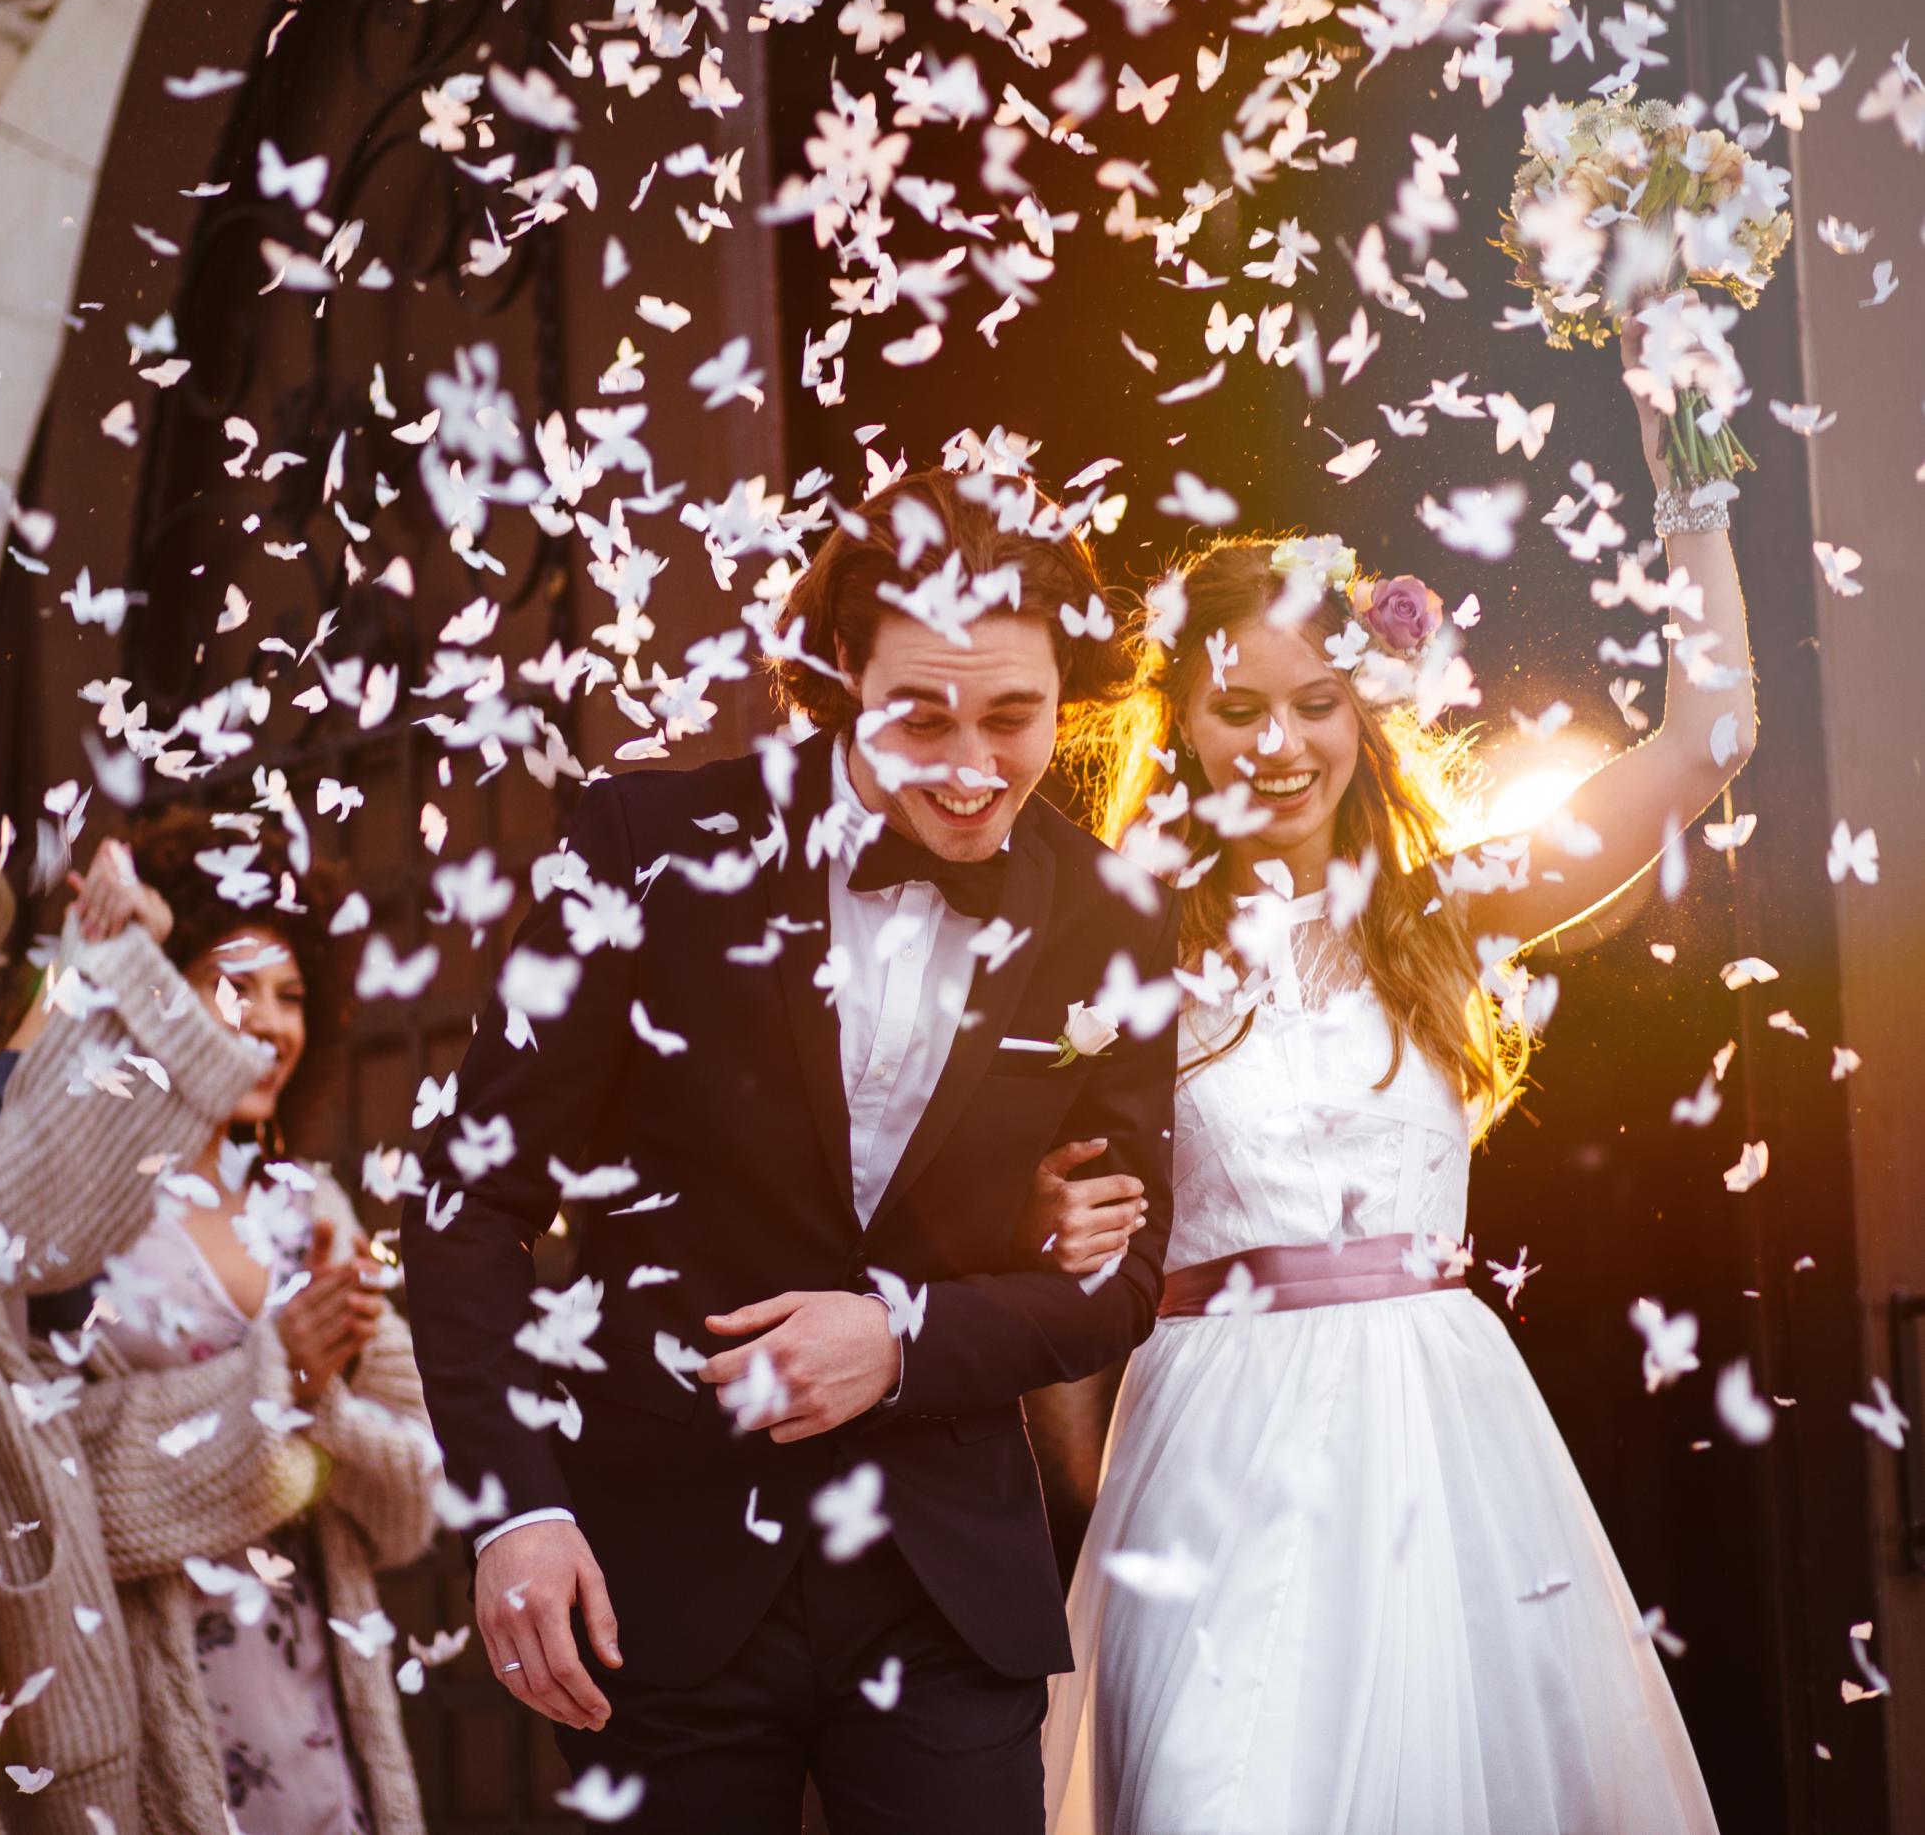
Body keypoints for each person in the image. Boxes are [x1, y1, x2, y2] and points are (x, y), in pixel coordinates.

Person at [403, 461, 1176, 1832]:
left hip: (947, 1585)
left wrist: (906, 1335)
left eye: (1014, 716)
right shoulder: (641, 842)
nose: (972, 765)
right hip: (659, 1576)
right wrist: (518, 1510)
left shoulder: (1113, 915)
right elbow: (472, 1206)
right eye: (919, 715)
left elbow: (1121, 1274)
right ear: (833, 672)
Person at [1039, 329, 1740, 1833]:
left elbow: (1707, 742)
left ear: (1362, 713)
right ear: (1183, 724)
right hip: (1206, 1447)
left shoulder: (1446, 912)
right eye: (1239, 708)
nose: (1280, 744)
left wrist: (1685, 441)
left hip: (1433, 1427)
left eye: (1315, 704)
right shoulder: (1114, 950)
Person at [0, 749, 345, 1835]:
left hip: (302, 1642)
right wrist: (98, 970)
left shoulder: (309, 1207)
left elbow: (403, 1469)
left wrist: (320, 1406)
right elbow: (17, 1227)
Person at [88, 806, 441, 1835]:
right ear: (158, 999)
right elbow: (57, 1481)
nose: (274, 1022)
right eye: (236, 987)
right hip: (150, 1693)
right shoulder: (76, 1214)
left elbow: (410, 1503)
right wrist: (266, 1375)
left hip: (320, 1708)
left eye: (294, 995)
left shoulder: (309, 1211)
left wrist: (314, 1399)